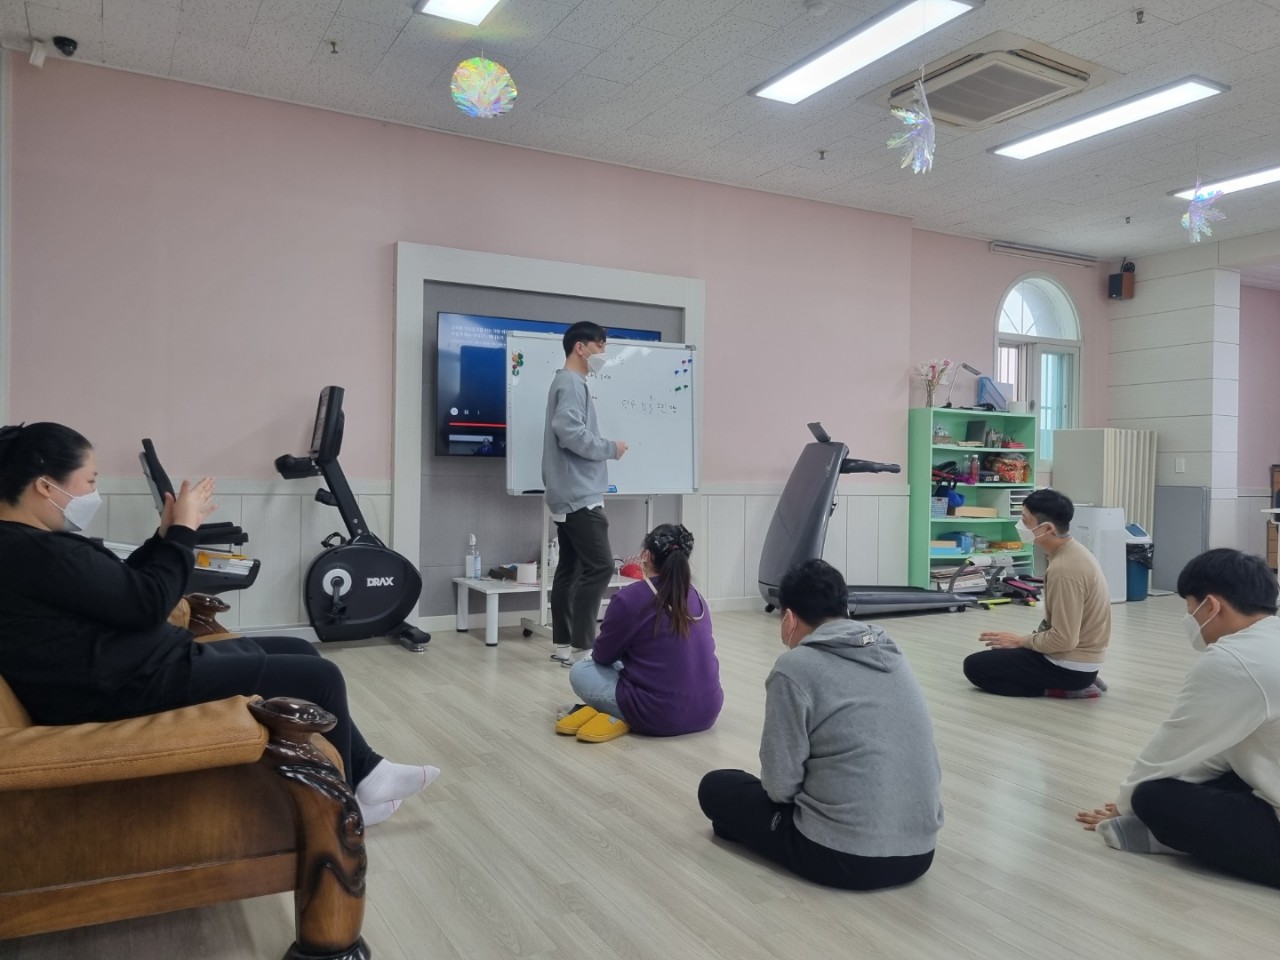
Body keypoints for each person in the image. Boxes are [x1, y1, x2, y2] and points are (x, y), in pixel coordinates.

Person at [0, 422, 437, 826]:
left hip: (133, 667)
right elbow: (147, 603)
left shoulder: (28, 546)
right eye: (90, 481)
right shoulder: (38, 552)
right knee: (320, 676)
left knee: (301, 649)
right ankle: (347, 809)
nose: (94, 492)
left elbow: (118, 590)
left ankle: (368, 771)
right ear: (46, 486)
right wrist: (183, 533)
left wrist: (164, 536)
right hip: (127, 685)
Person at [697, 559, 941, 890]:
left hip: (842, 856)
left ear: (789, 618)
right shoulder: (890, 650)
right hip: (920, 854)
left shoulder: (794, 667)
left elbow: (780, 787)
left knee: (717, 787)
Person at [1076, 548, 1280, 888]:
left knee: (1151, 796)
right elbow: (1216, 748)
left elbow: (1168, 750)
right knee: (1209, 774)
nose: (1190, 620)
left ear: (1212, 606)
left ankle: (1169, 838)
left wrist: (1126, 805)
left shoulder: (1233, 659)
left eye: (1190, 609)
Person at [554, 524, 723, 743]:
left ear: (646, 555)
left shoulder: (629, 598)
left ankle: (621, 713)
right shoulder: (699, 598)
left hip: (659, 715)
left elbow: (602, 657)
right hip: (708, 710)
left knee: (581, 670)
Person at [963, 488, 1111, 698]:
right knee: (1000, 652)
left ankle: (1065, 688)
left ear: (1048, 528)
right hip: (1083, 660)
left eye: (1025, 520)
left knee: (975, 667)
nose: (1020, 526)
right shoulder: (1074, 551)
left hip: (1070, 666)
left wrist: (1020, 641)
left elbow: (1064, 640)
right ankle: (1079, 680)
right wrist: (1023, 642)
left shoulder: (1064, 569)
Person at [542, 321, 628, 667]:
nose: (603, 353)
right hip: (579, 493)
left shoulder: (565, 382)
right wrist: (611, 448)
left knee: (570, 568)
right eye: (600, 345)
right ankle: (583, 647)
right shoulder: (571, 383)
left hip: (567, 491)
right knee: (601, 566)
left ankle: (565, 646)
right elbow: (569, 432)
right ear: (581, 347)